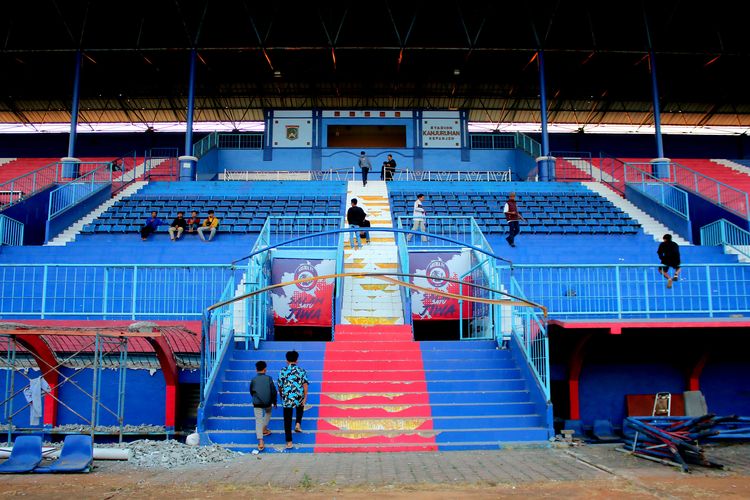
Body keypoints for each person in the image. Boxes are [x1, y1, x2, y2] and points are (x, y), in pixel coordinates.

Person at [277, 350, 308, 450]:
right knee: (300, 407)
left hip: (287, 396)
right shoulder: (301, 371)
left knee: (287, 419)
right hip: (298, 395)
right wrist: (305, 397)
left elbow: (280, 386)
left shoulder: (282, 371)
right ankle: (298, 423)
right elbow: (305, 385)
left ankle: (289, 442)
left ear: (286, 360)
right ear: (297, 360)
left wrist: (282, 395)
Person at [250, 360, 277, 451]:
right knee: (268, 412)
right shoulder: (269, 378)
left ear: (256, 370)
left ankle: (261, 442)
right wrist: (275, 402)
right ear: (265, 369)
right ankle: (264, 428)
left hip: (257, 402)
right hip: (267, 402)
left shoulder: (253, 380)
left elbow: (251, 391)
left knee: (258, 420)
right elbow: (273, 391)